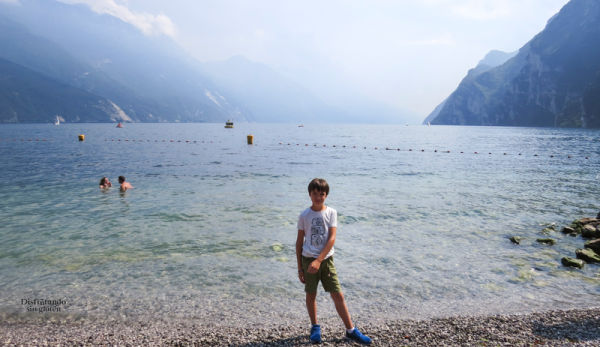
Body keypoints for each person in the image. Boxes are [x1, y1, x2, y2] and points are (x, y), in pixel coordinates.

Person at [296, 178, 371, 345]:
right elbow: (299, 242)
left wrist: (319, 260)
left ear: (326, 195)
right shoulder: (304, 215)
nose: (318, 197)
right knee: (311, 294)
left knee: (337, 294)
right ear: (309, 195)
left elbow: (332, 238)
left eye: (321, 194)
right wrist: (300, 268)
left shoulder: (331, 213)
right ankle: (315, 327)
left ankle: (350, 330)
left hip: (326, 260)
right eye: (315, 194)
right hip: (308, 260)